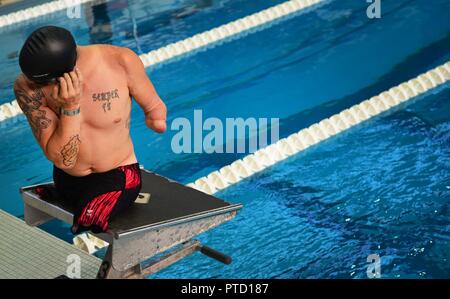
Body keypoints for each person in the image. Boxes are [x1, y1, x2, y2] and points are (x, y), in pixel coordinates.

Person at [14, 26, 167, 234]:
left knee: (91, 221)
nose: (46, 87)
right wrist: (70, 108)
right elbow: (63, 160)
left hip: (118, 177)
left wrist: (156, 120)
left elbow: (154, 106)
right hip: (66, 179)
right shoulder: (28, 88)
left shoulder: (120, 61)